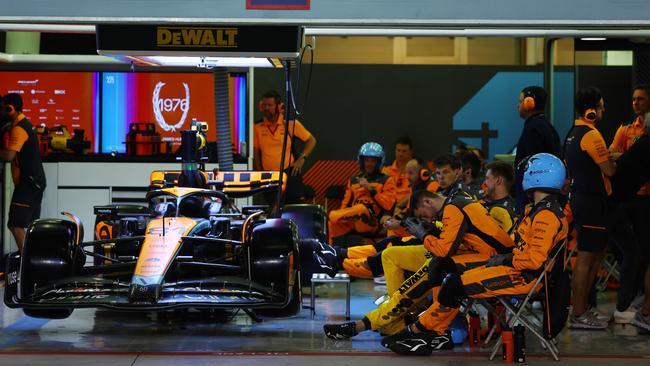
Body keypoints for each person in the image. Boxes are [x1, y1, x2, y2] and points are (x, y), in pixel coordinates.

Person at [381, 153, 568, 355]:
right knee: (449, 276)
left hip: (525, 277)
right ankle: (427, 330)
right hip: (517, 269)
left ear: (536, 175)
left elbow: (534, 260)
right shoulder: (539, 210)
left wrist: (506, 258)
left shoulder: (546, 215)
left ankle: (422, 333)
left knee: (453, 285)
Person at [323, 188, 514, 340]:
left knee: (433, 268)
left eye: (423, 214)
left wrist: (424, 234)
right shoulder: (457, 199)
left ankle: (366, 324)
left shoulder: (454, 206)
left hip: (488, 260)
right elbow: (451, 237)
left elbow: (444, 250)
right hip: (472, 254)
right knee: (392, 254)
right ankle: (395, 321)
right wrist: (428, 230)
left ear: (428, 202)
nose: (427, 219)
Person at [564, 87, 616, 330]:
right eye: (601, 106)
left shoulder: (572, 133)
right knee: (585, 258)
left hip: (584, 200)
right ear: (591, 111)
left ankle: (584, 309)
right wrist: (616, 159)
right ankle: (578, 314)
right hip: (591, 202)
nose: (603, 110)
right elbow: (609, 171)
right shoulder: (592, 135)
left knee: (594, 256)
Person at [607, 85, 650, 324]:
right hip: (628, 198)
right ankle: (629, 297)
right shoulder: (625, 130)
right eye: (634, 99)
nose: (636, 103)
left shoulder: (645, 131)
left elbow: (618, 158)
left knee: (643, 248)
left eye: (641, 99)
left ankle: (639, 296)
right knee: (625, 249)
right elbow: (611, 155)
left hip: (646, 199)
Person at [0, 93, 46, 252]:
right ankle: (33, 262)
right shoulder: (24, 124)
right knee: (29, 226)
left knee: (15, 224)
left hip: (29, 183)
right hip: (34, 182)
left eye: (3, 108)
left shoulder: (19, 129)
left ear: (10, 108)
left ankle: (29, 263)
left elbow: (9, 155)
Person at [253, 90, 317, 204]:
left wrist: (301, 159)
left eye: (270, 105)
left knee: (292, 209)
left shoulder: (290, 123)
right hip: (268, 177)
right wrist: (259, 175)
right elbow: (256, 152)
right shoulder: (257, 126)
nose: (266, 108)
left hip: (289, 175)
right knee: (274, 211)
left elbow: (311, 140)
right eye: (264, 105)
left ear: (279, 107)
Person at [327, 142, 396, 243]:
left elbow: (388, 205)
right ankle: (331, 252)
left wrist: (371, 189)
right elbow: (345, 205)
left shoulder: (386, 180)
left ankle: (332, 215)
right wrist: (340, 218)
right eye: (366, 160)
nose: (369, 164)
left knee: (361, 209)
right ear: (361, 161)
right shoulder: (354, 180)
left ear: (379, 162)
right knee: (330, 225)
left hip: (373, 221)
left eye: (373, 161)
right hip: (353, 219)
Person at [514, 86, 561, 214]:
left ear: (529, 103)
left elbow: (534, 168)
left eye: (520, 101)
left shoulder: (533, 129)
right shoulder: (544, 126)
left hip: (533, 200)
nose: (517, 106)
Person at [481, 160, 516, 233]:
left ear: (498, 180)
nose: (484, 183)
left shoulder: (500, 212)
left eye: (487, 178)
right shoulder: (512, 204)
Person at [382, 136, 414, 205]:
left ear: (411, 152)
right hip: (388, 207)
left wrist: (399, 205)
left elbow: (418, 192)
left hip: (409, 206)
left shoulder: (417, 171)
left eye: (404, 151)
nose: (400, 154)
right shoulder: (386, 170)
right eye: (398, 150)